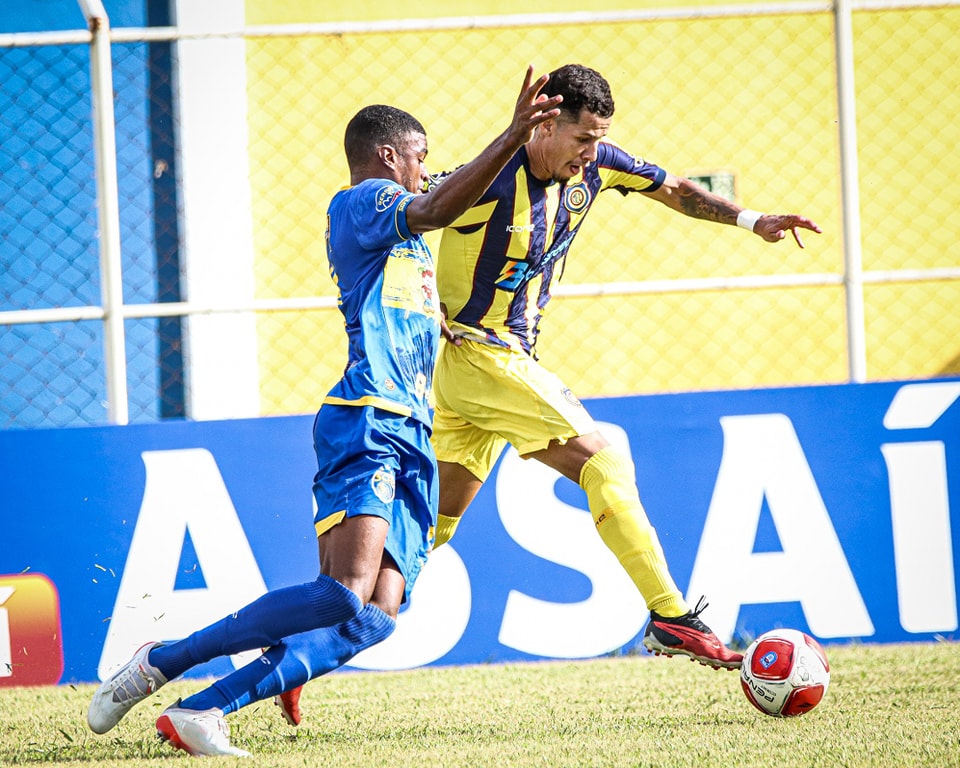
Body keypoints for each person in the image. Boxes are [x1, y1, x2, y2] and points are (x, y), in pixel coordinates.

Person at [85, 66, 562, 758]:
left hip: (413, 431)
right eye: (421, 156)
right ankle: (164, 658)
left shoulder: (405, 230)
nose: (427, 169)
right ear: (388, 155)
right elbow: (434, 207)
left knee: (378, 615)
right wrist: (513, 133)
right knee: (341, 596)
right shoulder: (362, 202)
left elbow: (448, 214)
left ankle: (201, 712)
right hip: (365, 414)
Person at [427, 63, 822, 670]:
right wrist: (424, 305)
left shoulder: (596, 166)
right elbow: (409, 219)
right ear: (545, 125)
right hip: (480, 351)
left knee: (426, 532)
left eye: (597, 140)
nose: (591, 153)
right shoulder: (484, 183)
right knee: (603, 459)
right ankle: (671, 615)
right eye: (582, 139)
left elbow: (676, 190)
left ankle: (298, 648)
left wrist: (751, 220)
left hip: (492, 370)